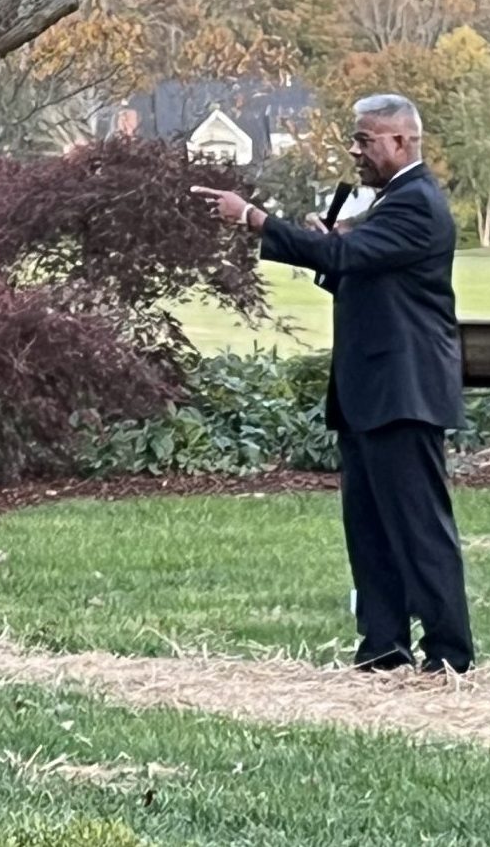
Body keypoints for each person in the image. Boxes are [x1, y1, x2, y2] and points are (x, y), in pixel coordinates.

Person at [192, 93, 474, 674]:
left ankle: (449, 657)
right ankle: (383, 650)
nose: (355, 150)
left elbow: (347, 255)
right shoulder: (395, 202)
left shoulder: (415, 203)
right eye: (355, 138)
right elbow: (354, 270)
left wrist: (252, 218)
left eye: (364, 139)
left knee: (420, 530)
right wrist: (331, 247)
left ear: (401, 140)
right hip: (373, 394)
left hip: (403, 394)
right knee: (369, 533)